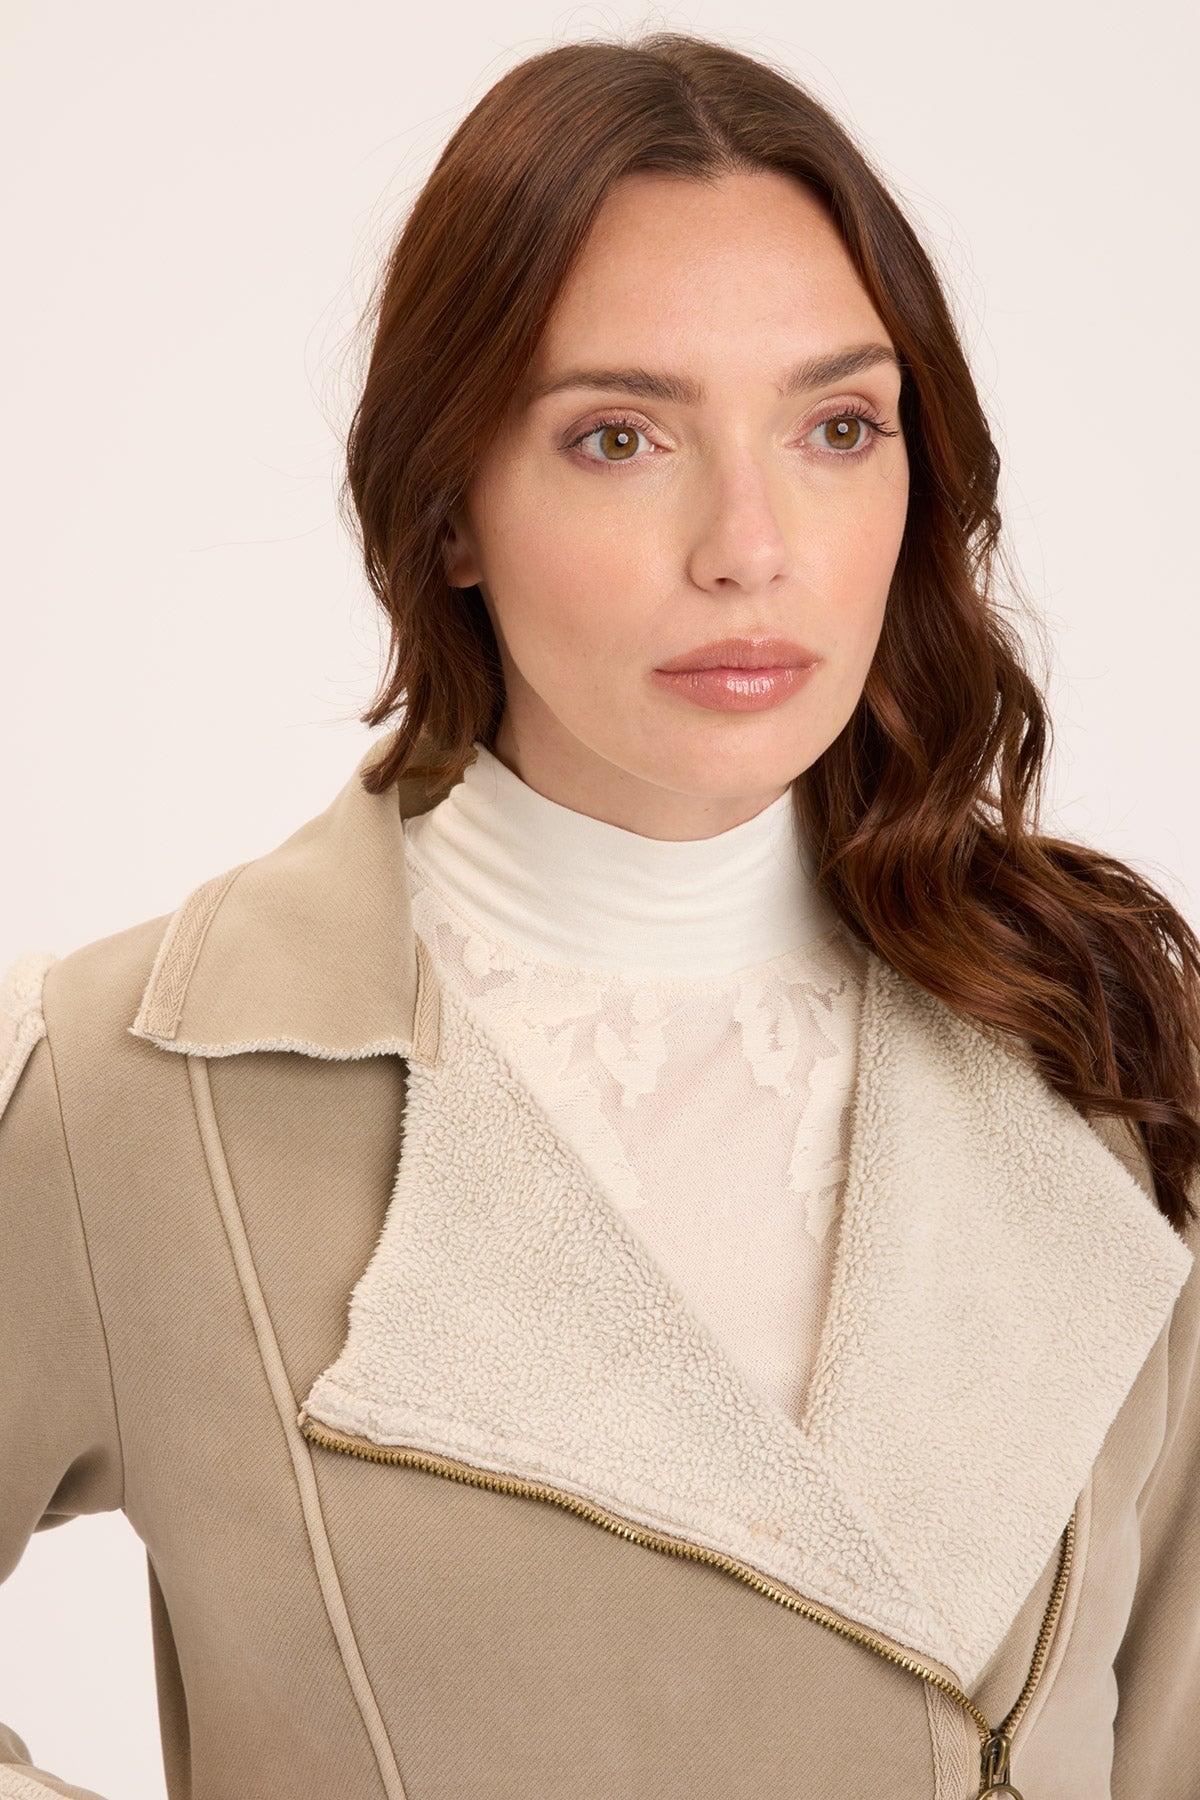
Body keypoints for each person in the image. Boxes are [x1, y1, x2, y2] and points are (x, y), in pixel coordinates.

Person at [2, 29, 1198, 1800]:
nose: (751, 544)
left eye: (838, 427)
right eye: (620, 436)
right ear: (452, 509)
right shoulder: (136, 1095)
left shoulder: (1088, 1036)